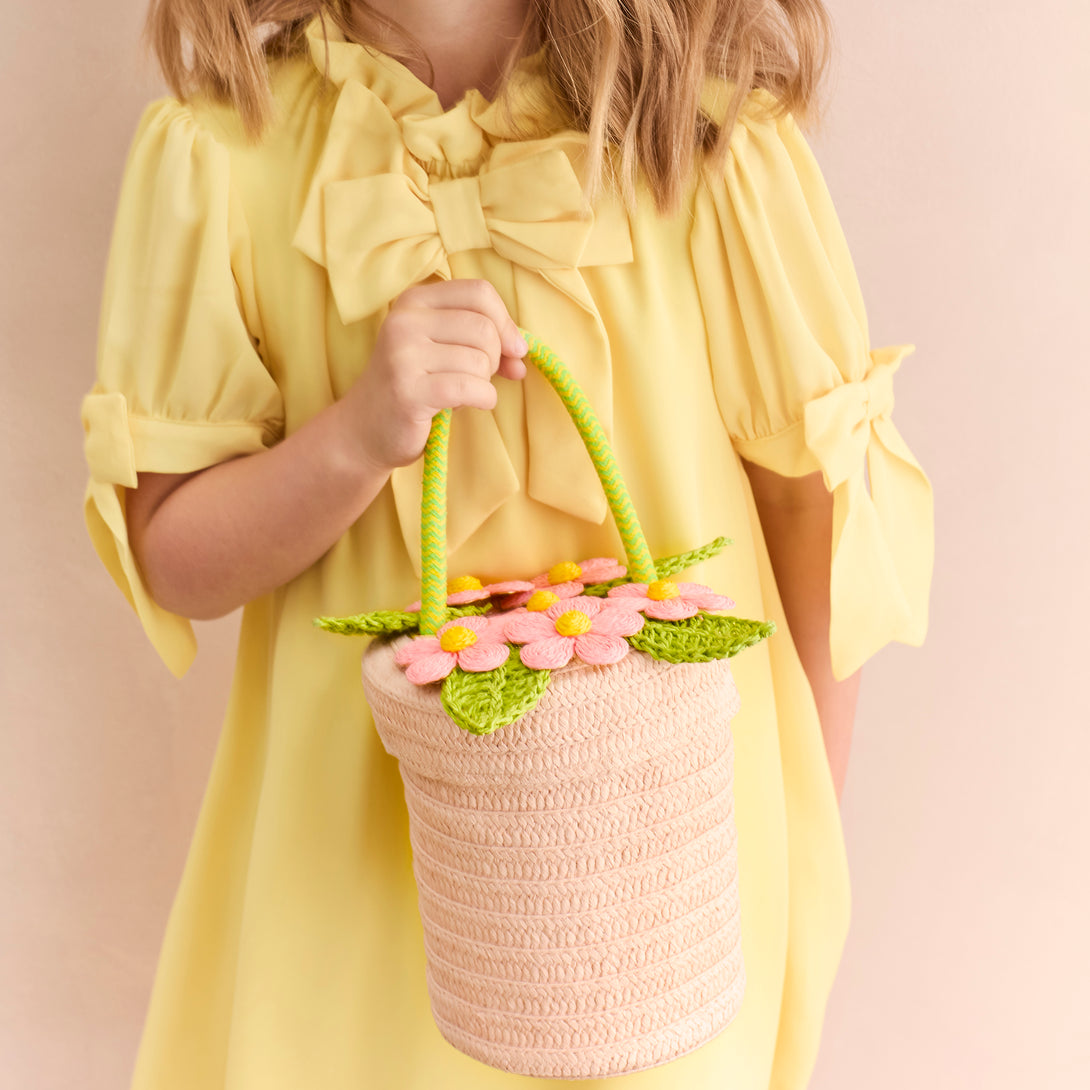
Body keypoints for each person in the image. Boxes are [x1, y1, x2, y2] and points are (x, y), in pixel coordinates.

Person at [80, 1, 933, 1087]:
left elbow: (816, 517)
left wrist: (801, 856)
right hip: (352, 882)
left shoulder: (707, 136)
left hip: (664, 875)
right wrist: (352, 442)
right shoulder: (225, 151)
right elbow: (173, 553)